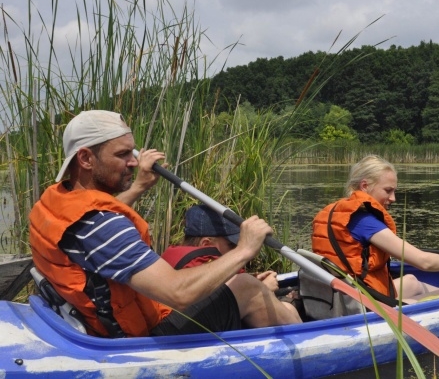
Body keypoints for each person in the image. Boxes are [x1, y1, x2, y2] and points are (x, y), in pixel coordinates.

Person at [29, 110, 301, 339]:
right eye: (122, 154)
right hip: (141, 340)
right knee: (245, 286)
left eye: (132, 152)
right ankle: (302, 328)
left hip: (109, 324)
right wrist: (243, 249)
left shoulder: (60, 202)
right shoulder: (102, 226)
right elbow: (178, 293)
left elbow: (100, 220)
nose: (134, 162)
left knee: (225, 279)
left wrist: (138, 187)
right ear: (86, 158)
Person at [312, 155, 439, 304]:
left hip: (340, 292)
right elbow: (424, 262)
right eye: (388, 190)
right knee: (416, 303)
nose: (393, 198)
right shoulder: (366, 221)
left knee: (412, 281)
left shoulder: (334, 211)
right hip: (359, 303)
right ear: (364, 186)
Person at [161, 204, 279, 293]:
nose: (237, 250)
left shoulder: (171, 257)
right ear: (206, 245)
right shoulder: (198, 264)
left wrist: (255, 281)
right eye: (232, 245)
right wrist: (261, 289)